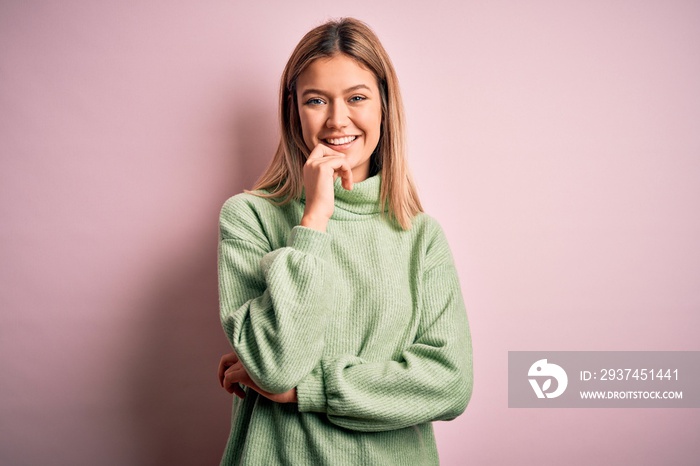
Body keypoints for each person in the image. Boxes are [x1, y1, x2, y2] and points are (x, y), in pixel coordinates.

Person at [216, 17, 473, 465]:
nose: (338, 120)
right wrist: (315, 218)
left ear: (383, 107)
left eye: (357, 97)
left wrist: (305, 391)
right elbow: (275, 366)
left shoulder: (421, 236)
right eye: (316, 100)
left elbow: (449, 383)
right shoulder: (248, 217)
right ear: (294, 109)